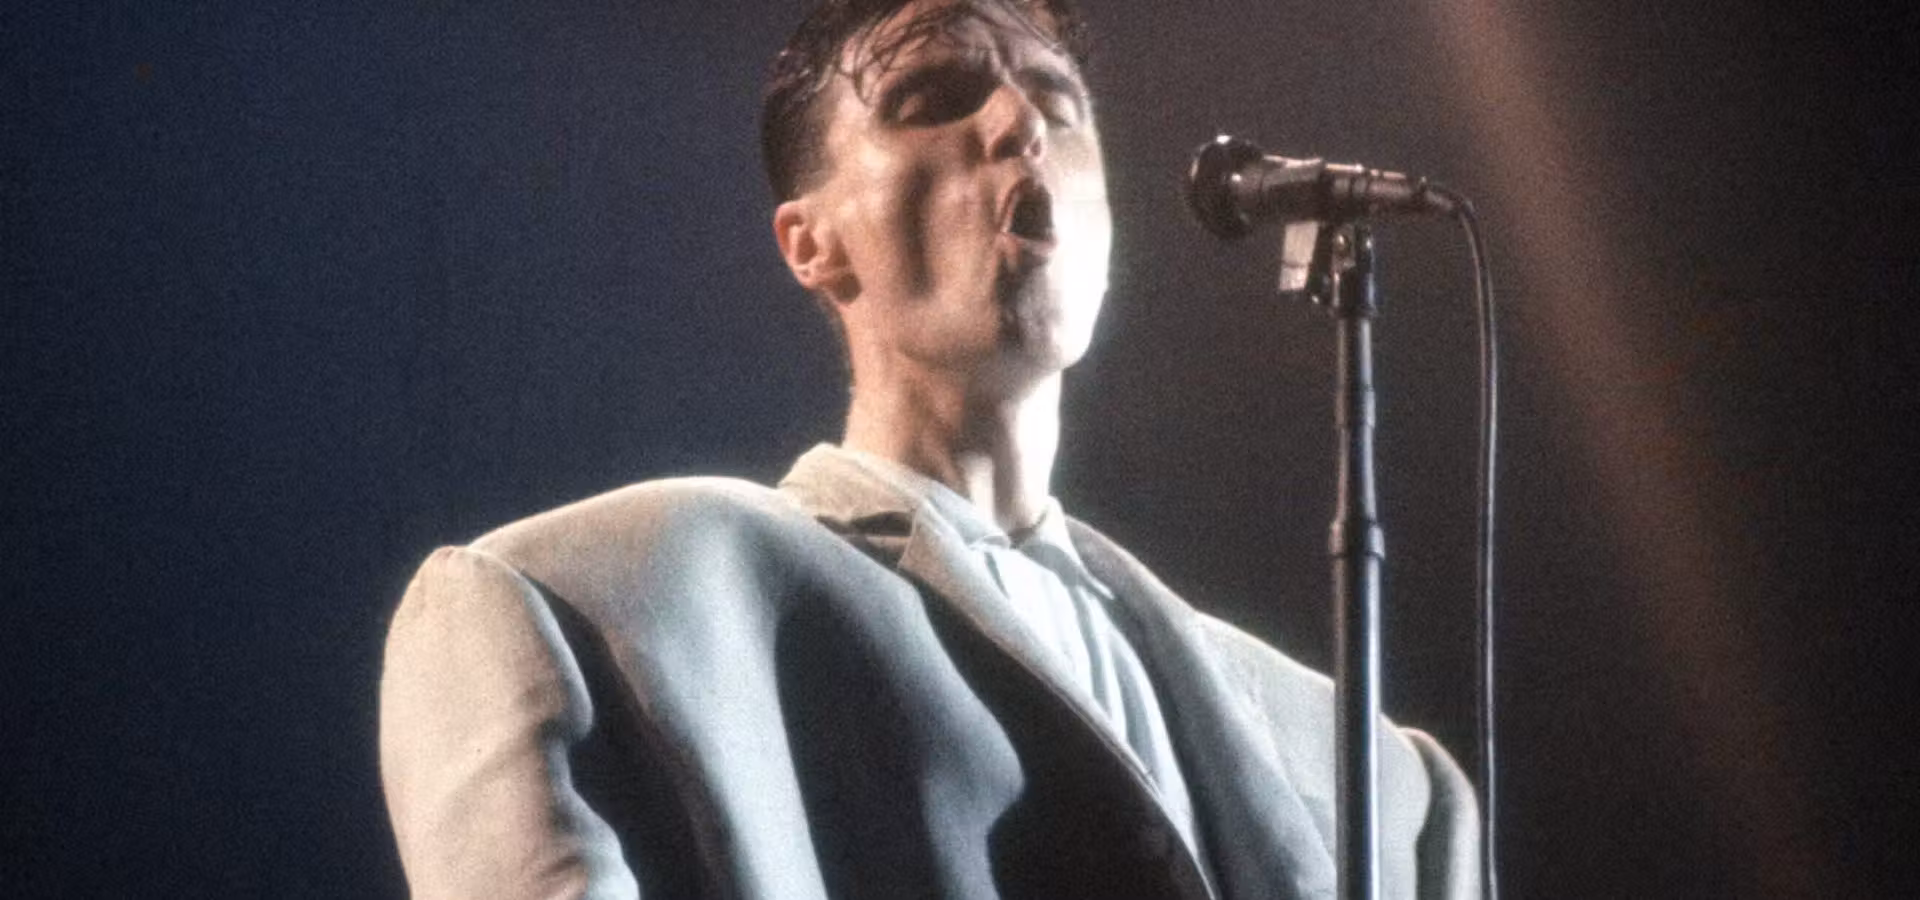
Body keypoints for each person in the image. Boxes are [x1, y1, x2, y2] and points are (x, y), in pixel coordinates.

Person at [377, 1, 1480, 898]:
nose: (1019, 122)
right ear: (812, 244)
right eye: (933, 99)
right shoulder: (584, 608)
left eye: (1059, 104)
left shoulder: (1386, 784)